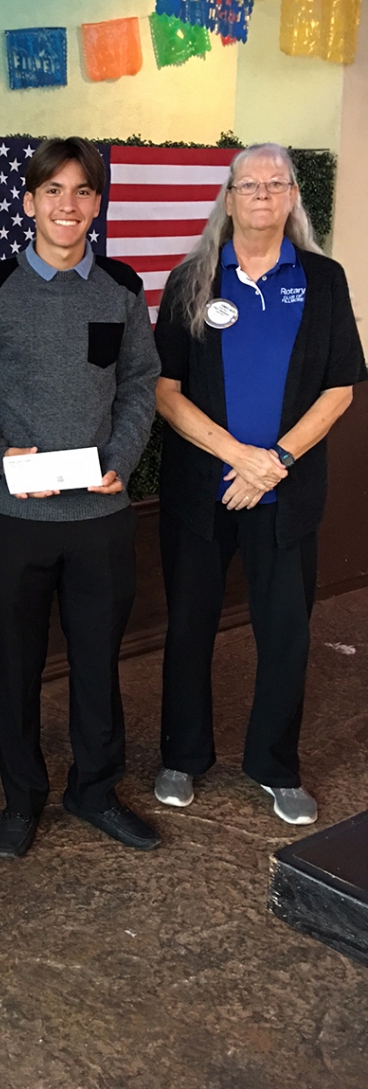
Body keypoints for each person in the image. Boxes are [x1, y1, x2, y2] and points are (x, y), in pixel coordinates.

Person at [0, 137, 161, 860]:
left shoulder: (121, 290)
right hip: (18, 521)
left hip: (101, 516)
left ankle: (94, 791)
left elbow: (138, 382)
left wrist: (122, 457)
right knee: (18, 667)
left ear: (96, 205)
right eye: (53, 191)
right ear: (29, 202)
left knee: (100, 663)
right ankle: (22, 798)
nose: (67, 206)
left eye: (81, 192)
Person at [153, 143, 366, 825]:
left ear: (294, 196)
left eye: (278, 184)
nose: (264, 195)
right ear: (230, 196)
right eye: (251, 185)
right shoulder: (191, 279)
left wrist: (273, 460)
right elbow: (165, 391)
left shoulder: (324, 280)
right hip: (200, 492)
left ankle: (275, 765)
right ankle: (182, 757)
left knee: (286, 634)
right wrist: (236, 458)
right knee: (189, 627)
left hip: (285, 492)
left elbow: (340, 388)